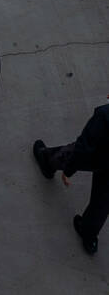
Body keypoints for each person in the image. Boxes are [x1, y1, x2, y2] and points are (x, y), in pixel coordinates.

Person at [33, 95, 109, 254]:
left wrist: (68, 171)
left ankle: (48, 161)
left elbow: (83, 148)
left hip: (99, 156)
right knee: (103, 201)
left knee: (70, 154)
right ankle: (89, 234)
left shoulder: (104, 115)